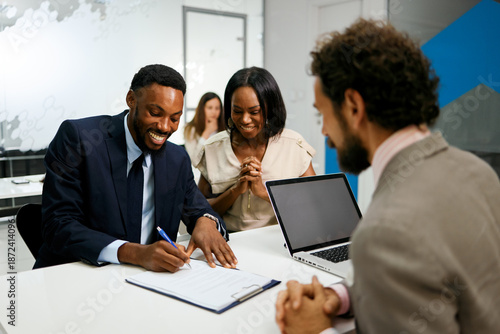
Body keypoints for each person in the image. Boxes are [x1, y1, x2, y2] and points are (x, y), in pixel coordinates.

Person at [275, 19, 500, 334]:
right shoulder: (478, 172)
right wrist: (340, 296)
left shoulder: (385, 232)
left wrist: (314, 330)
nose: (324, 130)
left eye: (321, 113)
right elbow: (438, 281)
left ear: (354, 106)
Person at [36, 64, 238, 272]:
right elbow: (57, 225)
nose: (165, 127)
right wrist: (135, 253)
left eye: (174, 118)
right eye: (155, 113)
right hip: (77, 275)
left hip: (148, 282)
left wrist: (205, 221)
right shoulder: (80, 139)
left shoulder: (177, 159)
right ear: (131, 100)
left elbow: (199, 207)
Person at [194, 67, 316, 232]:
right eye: (237, 111)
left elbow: (313, 208)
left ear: (270, 109)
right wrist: (235, 191)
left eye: (254, 112)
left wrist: (263, 192)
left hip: (278, 242)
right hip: (230, 242)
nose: (244, 120)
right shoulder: (213, 149)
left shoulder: (294, 145)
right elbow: (199, 211)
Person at [183, 92, 225, 163]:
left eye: (217, 108)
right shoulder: (190, 129)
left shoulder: (225, 129)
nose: (213, 112)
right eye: (210, 108)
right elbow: (194, 161)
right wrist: (207, 133)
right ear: (202, 109)